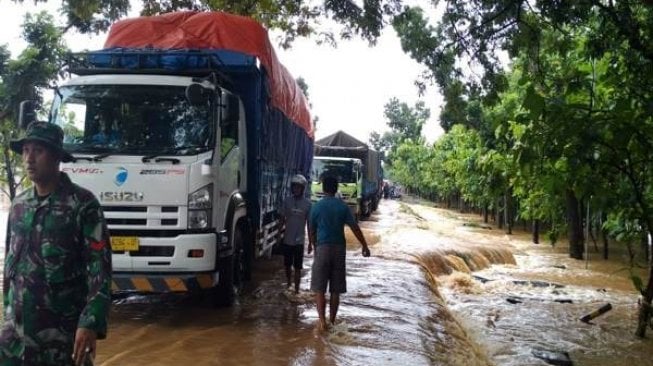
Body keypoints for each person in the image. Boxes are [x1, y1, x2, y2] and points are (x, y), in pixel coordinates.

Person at [0, 122, 112, 366]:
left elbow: (100, 272)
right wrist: (7, 313)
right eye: (26, 150)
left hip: (61, 337)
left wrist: (90, 323)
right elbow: (11, 268)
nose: (29, 159)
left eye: (38, 151)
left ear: (56, 157)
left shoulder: (82, 205)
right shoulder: (19, 206)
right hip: (15, 338)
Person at [308, 175, 371, 331]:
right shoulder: (343, 207)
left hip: (322, 248)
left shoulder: (316, 207)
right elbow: (355, 228)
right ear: (336, 188)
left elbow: (311, 230)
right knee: (335, 290)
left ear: (323, 189)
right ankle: (333, 322)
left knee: (320, 289)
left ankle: (322, 322)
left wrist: (314, 246)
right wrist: (364, 245)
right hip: (339, 250)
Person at [278, 174, 312, 294]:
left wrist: (311, 243)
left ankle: (297, 290)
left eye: (299, 187)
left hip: (299, 241)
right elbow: (282, 218)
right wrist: (278, 234)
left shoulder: (308, 204)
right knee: (287, 265)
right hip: (287, 239)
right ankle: (288, 283)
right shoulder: (287, 201)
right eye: (294, 187)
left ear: (303, 188)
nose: (296, 189)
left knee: (298, 267)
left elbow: (309, 224)